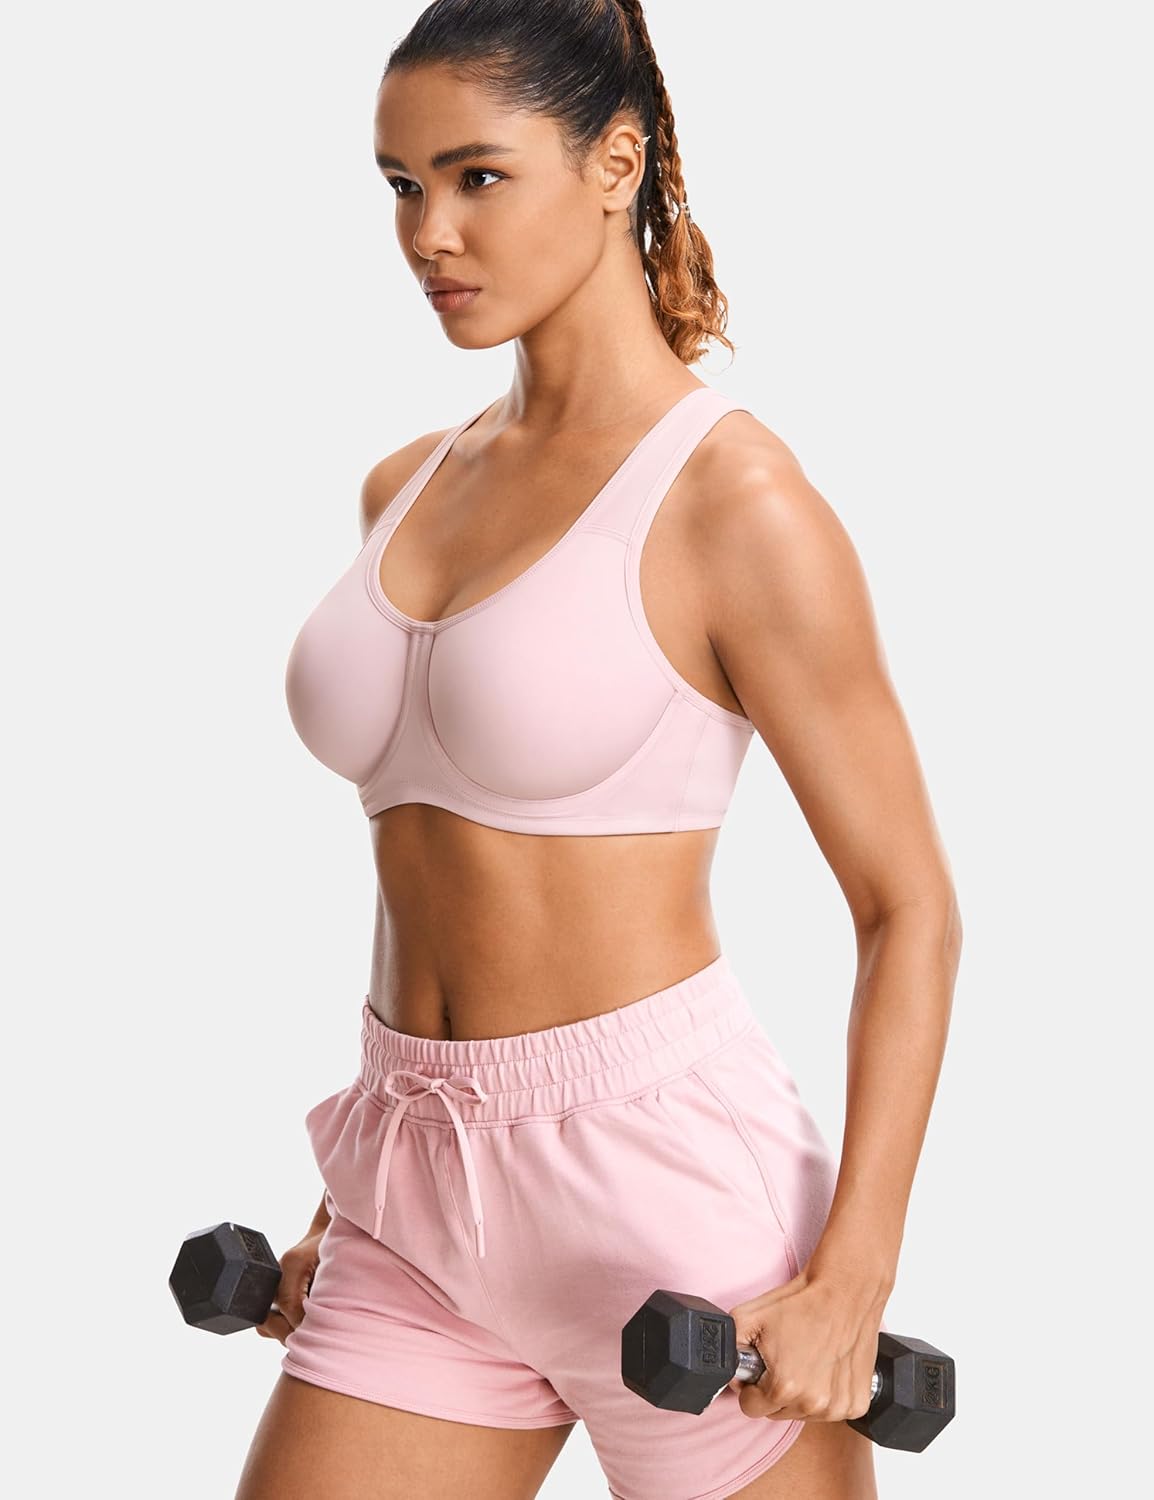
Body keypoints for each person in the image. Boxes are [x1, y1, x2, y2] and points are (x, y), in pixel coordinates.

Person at [235, 3, 962, 1498]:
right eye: (400, 185)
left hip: (672, 1211)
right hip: (410, 1181)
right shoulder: (405, 485)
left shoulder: (734, 503)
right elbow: (431, 872)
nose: (429, 233)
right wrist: (357, 1184)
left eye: (477, 177)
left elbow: (911, 911)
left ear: (616, 163)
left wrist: (852, 1279)